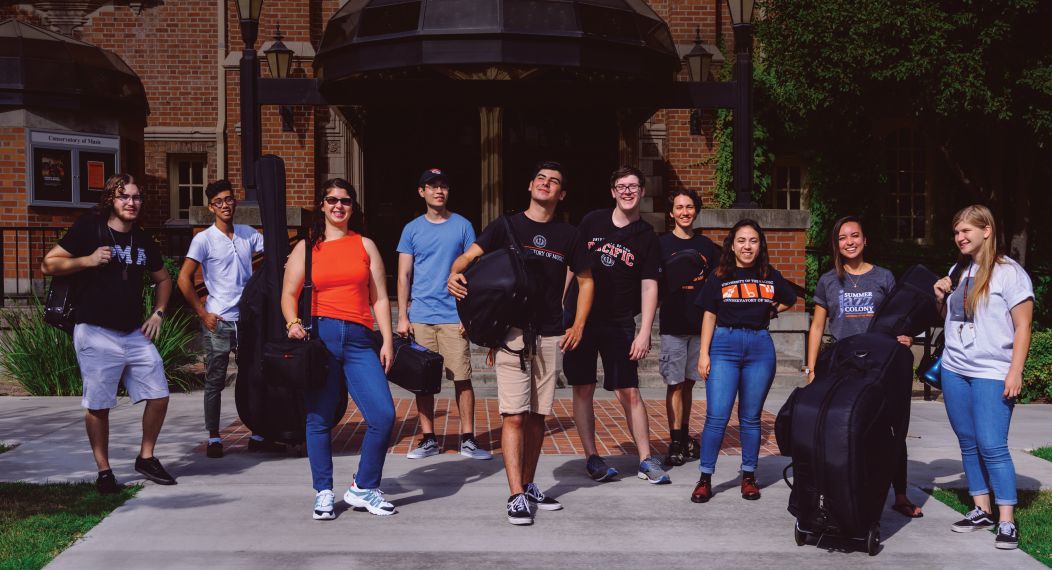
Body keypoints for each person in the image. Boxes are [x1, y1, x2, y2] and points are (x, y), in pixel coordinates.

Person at [448, 160, 593, 526]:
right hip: (511, 333)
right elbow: (469, 257)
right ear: (530, 185)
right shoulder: (506, 225)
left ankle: (528, 484)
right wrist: (455, 274)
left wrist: (576, 323)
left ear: (561, 194)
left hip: (548, 334)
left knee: (537, 417)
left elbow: (587, 281)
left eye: (554, 182)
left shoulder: (569, 235)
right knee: (513, 415)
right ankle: (515, 495)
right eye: (541, 179)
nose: (546, 184)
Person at [41, 173, 177, 493]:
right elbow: (49, 264)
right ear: (110, 200)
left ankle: (146, 457)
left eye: (136, 197)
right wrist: (87, 260)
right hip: (95, 331)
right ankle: (104, 471)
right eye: (124, 197)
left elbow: (164, 279)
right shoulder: (90, 228)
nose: (131, 203)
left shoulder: (142, 238)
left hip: (132, 333)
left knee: (158, 394)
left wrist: (158, 313)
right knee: (99, 404)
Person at [281, 178, 397, 520]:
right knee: (318, 418)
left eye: (345, 201)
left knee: (383, 415)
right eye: (332, 200)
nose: (338, 206)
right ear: (322, 204)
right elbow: (288, 294)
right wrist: (292, 323)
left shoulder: (366, 245)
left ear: (352, 206)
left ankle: (363, 487)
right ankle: (324, 492)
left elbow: (377, 298)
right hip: (322, 337)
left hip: (361, 339)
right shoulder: (307, 247)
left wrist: (387, 339)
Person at [805, 215, 922, 517]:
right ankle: (843, 492)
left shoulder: (884, 277)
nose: (849, 242)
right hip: (842, 364)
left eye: (855, 236)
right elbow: (817, 327)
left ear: (865, 239)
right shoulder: (829, 280)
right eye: (843, 238)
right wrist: (811, 368)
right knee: (843, 428)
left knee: (891, 427)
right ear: (837, 244)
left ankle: (900, 494)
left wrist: (906, 337)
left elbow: (898, 317)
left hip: (879, 363)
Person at [933, 204, 1032, 551]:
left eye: (966, 231)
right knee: (968, 441)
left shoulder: (1009, 273)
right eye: (956, 232)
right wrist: (941, 297)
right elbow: (952, 319)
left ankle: (1007, 520)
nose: (959, 237)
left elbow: (1023, 326)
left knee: (992, 444)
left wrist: (1015, 370)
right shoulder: (958, 269)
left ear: (986, 230)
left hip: (992, 370)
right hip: (955, 368)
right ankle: (982, 509)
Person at [564, 166, 669, 485]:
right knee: (583, 387)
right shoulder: (592, 221)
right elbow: (572, 266)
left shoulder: (647, 236)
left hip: (619, 322)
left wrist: (645, 330)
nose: (627, 191)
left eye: (633, 186)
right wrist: (559, 306)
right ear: (612, 191)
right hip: (581, 319)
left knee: (630, 391)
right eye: (621, 186)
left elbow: (650, 286)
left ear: (642, 192)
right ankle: (592, 457)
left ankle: (645, 460)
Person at [691, 219, 796, 503]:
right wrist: (704, 353)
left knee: (751, 418)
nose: (747, 246)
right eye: (741, 240)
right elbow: (709, 314)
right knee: (717, 417)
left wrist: (771, 312)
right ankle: (705, 477)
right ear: (732, 245)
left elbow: (790, 297)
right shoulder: (720, 275)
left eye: (752, 241)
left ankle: (748, 475)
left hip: (760, 348)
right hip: (724, 346)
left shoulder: (769, 274)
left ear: (760, 245)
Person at [397, 168, 490, 460]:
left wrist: (469, 315)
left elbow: (475, 272)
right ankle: (428, 439)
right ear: (421, 191)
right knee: (422, 380)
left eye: (443, 186)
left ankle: (468, 439)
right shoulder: (411, 229)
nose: (439, 191)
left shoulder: (463, 226)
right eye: (432, 186)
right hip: (422, 315)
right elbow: (404, 275)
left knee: (462, 378)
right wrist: (403, 316)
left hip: (453, 315)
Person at [177, 180, 267, 459]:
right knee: (215, 379)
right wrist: (202, 313)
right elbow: (183, 278)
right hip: (219, 320)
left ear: (235, 202)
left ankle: (258, 431)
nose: (225, 205)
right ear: (210, 207)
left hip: (248, 320)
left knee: (254, 376)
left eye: (229, 199)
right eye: (219, 202)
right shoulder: (203, 239)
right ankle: (214, 436)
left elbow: (274, 254)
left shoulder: (247, 234)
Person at [657, 189, 718, 466]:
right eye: (679, 207)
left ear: (696, 211)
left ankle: (684, 436)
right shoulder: (660, 245)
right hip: (673, 326)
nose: (684, 212)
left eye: (689, 207)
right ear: (671, 213)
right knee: (675, 384)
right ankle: (675, 440)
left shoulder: (707, 247)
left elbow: (717, 286)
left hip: (699, 327)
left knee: (690, 383)